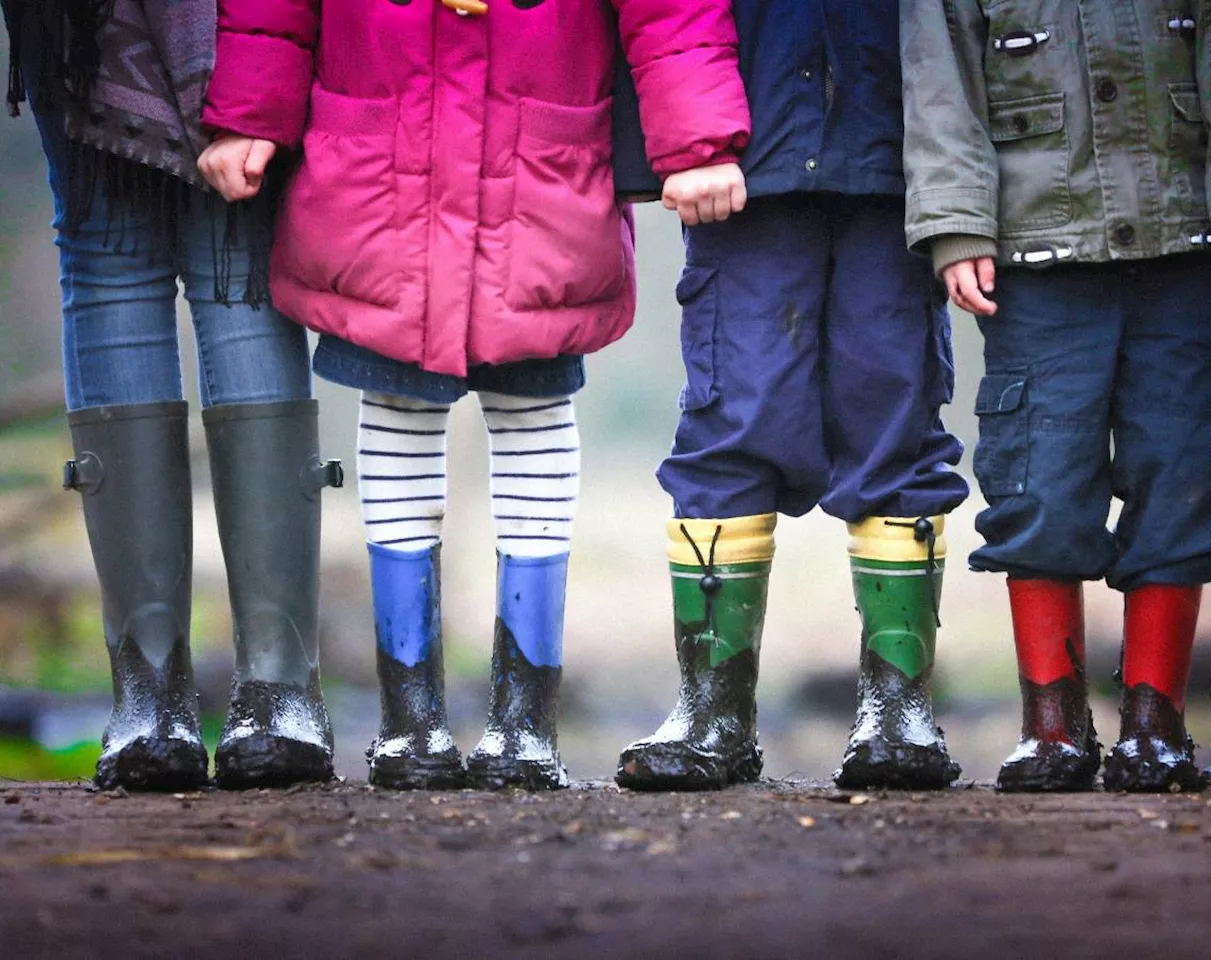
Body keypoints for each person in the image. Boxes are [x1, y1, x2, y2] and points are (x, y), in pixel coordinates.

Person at [198, 0, 751, 791]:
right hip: (381, 167)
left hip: (538, 170)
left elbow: (674, 12)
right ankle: (409, 721)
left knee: (531, 415)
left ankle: (525, 721)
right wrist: (251, 108)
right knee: (397, 409)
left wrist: (697, 139)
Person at [902, 0, 1211, 792]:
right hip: (1031, 261)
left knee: (1184, 470)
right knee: (1038, 480)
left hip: (1184, 241)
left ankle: (1156, 723)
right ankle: (1051, 724)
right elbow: (942, 91)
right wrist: (958, 226)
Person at [614, 0, 971, 792]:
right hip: (740, 161)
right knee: (732, 420)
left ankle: (898, 706)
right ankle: (713, 711)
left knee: (897, 421)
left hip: (905, 158)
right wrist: (688, 135)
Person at [2, 0, 342, 791]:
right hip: (82, 31)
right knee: (116, 256)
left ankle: (269, 685)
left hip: (231, 25)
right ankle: (159, 696)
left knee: (224, 260)